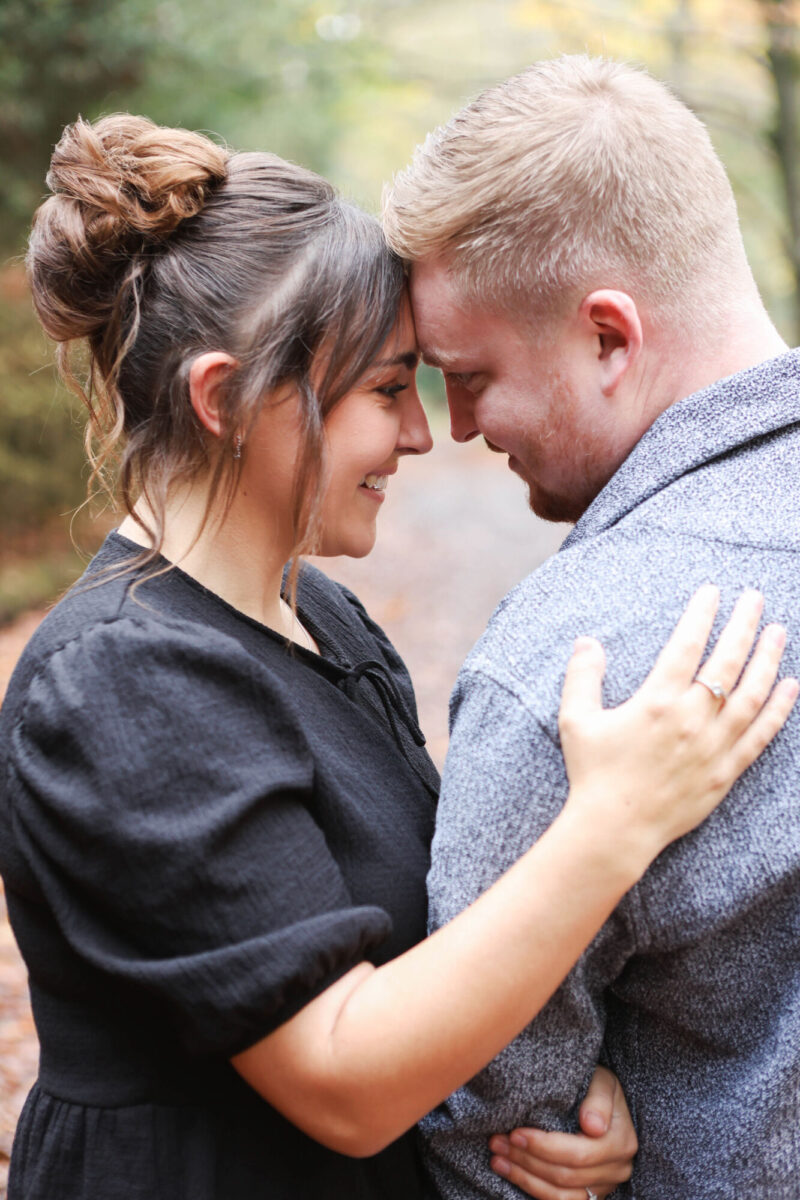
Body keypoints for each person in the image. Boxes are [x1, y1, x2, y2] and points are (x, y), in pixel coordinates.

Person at [0, 115, 793, 1200]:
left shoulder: (318, 617)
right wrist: (614, 822)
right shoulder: (120, 681)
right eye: (386, 392)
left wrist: (571, 1095)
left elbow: (425, 945)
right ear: (225, 400)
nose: (423, 436)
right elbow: (344, 1079)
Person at [382, 54, 800, 1199]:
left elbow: (488, 1144)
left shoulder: (573, 671)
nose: (455, 428)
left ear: (608, 338)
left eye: (469, 376)